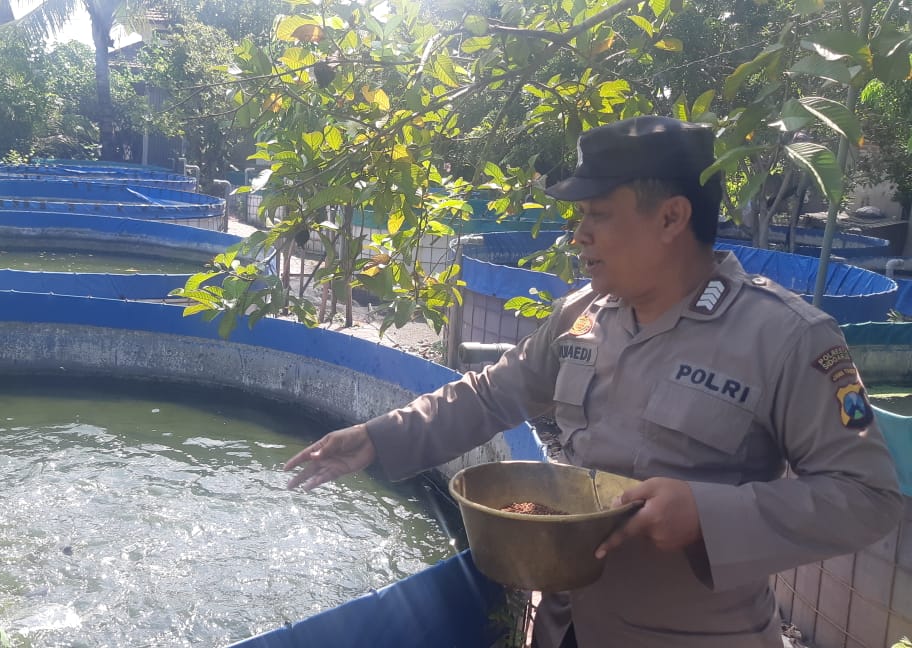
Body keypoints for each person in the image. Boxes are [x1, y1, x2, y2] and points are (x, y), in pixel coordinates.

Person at [284, 116, 903, 648]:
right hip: (567, 626)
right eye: (579, 216)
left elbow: (868, 496)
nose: (578, 235)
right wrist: (379, 436)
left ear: (672, 217)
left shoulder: (785, 337)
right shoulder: (582, 315)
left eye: (598, 215)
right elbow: (491, 394)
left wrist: (706, 514)